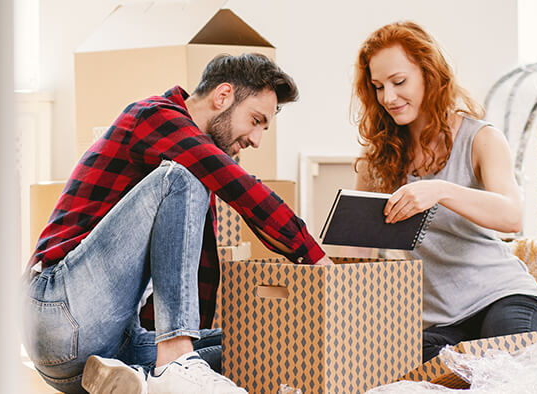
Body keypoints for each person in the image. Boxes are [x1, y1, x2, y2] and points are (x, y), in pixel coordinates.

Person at [22, 53, 333, 394]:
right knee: (183, 176)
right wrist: (315, 257)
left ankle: (141, 379)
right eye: (256, 120)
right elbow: (243, 190)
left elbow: (191, 270)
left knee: (255, 348)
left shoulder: (191, 157)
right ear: (223, 96)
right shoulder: (153, 117)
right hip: (57, 311)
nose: (256, 140)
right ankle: (174, 363)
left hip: (103, 348)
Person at [351, 21, 537, 363]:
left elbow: (510, 216)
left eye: (399, 82)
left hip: (503, 296)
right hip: (437, 320)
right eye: (378, 86)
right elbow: (353, 245)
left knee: (509, 367)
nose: (388, 97)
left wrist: (440, 190)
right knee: (403, 369)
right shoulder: (379, 160)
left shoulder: (481, 139)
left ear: (430, 74)